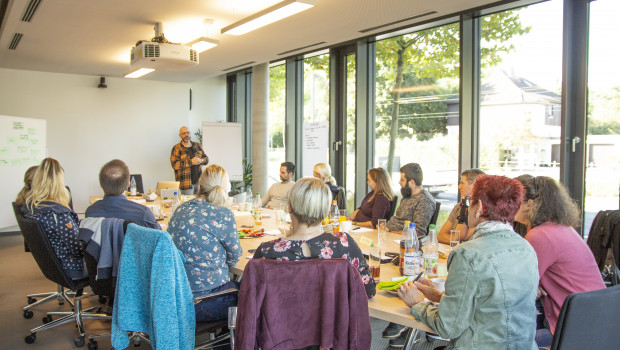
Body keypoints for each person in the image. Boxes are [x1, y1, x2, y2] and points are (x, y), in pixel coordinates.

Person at [397, 175, 539, 350]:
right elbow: (493, 307)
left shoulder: (467, 254)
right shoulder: (527, 249)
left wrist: (418, 302)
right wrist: (441, 298)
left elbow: (447, 327)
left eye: (471, 202)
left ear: (479, 207)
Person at [514, 176, 605, 346]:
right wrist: (535, 284)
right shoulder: (560, 228)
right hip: (596, 323)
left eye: (514, 200)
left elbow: (518, 289)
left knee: (504, 340)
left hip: (574, 330)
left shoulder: (539, 236)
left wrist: (533, 285)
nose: (509, 206)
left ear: (529, 204)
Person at [253, 177, 376, 298]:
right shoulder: (344, 243)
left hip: (279, 318)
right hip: (332, 318)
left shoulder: (267, 251)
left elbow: (251, 299)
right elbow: (368, 289)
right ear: (327, 211)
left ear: (289, 207)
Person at [168, 164, 243, 322]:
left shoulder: (180, 209)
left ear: (200, 185)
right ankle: (226, 344)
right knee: (251, 293)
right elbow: (235, 257)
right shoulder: (223, 214)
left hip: (176, 295)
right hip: (205, 299)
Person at [22, 158, 85, 279]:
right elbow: (78, 250)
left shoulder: (33, 208)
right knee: (112, 262)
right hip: (72, 268)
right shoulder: (59, 216)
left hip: (52, 266)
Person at [85, 159, 160, 229]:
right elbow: (161, 239)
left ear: (101, 184)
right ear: (128, 183)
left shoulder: (91, 212)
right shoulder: (143, 213)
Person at [386, 163, 436, 236]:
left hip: (400, 240)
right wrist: (385, 227)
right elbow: (397, 220)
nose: (399, 182)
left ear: (412, 182)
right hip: (389, 235)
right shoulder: (407, 196)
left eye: (402, 180)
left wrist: (390, 232)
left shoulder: (424, 201)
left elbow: (418, 232)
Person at [437, 169, 485, 244]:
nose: (459, 187)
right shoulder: (458, 207)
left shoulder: (481, 211)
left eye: (462, 183)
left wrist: (453, 239)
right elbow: (440, 236)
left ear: (475, 185)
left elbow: (463, 239)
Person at [170, 126, 209, 195]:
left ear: (190, 133)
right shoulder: (177, 148)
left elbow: (206, 160)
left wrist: (201, 160)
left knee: (198, 203)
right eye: (183, 133)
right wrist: (190, 162)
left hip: (199, 183)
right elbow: (175, 165)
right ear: (180, 135)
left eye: (188, 132)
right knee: (187, 204)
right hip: (185, 184)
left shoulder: (197, 145)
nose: (186, 135)